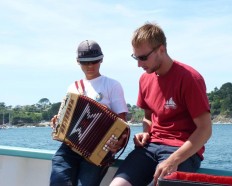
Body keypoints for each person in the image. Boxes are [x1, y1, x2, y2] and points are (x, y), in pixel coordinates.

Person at [109, 23, 212, 186]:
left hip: (181, 151)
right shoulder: (145, 79)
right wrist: (145, 132)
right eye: (135, 57)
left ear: (161, 50)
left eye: (143, 58)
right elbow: (148, 117)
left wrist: (173, 160)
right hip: (150, 148)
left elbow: (205, 130)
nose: (139, 64)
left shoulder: (190, 79)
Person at [50, 40, 128, 186]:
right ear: (78, 62)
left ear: (102, 59)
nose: (90, 66)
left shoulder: (112, 85)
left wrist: (116, 144)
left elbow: (122, 122)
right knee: (58, 177)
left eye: (94, 61)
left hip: (98, 150)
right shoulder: (73, 87)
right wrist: (57, 121)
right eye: (85, 62)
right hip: (70, 147)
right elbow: (64, 121)